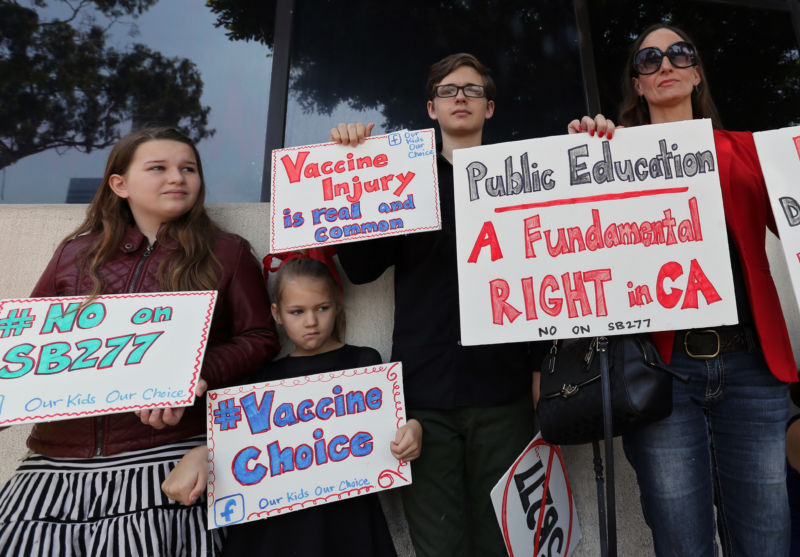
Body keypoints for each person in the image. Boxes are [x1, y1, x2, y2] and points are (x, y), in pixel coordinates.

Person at [568, 24, 797, 556]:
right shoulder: (608, 157)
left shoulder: (747, 152)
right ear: (638, 84)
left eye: (678, 54)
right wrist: (580, 155)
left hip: (752, 368)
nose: (664, 64)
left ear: (696, 74)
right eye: (649, 59)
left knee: (766, 538)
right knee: (681, 541)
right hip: (660, 373)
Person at [0, 126, 280, 556]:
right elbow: (23, 344)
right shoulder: (74, 254)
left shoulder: (227, 252)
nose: (177, 178)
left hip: (165, 461)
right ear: (120, 184)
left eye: (189, 169)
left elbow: (260, 338)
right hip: (53, 465)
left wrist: (193, 376)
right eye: (158, 168)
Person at [331, 53, 542, 557]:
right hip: (423, 397)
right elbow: (360, 269)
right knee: (439, 545)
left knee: (507, 542)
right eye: (449, 90)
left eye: (472, 90)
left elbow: (550, 275)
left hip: (506, 388)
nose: (461, 97)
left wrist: (540, 371)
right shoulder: (401, 181)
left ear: (489, 108)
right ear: (431, 107)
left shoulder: (529, 179)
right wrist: (353, 172)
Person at [162, 248, 422, 557]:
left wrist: (414, 428)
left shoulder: (363, 363)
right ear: (277, 314)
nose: (311, 321)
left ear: (337, 305)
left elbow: (390, 427)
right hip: (283, 526)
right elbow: (240, 446)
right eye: (297, 312)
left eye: (321, 308)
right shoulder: (262, 380)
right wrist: (203, 453)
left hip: (347, 517)